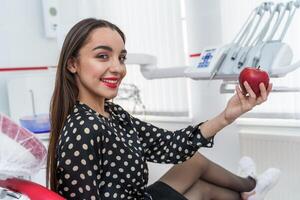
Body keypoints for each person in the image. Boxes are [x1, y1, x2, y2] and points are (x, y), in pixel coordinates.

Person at [46, 18, 280, 200]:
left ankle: (250, 187)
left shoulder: (113, 114)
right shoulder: (83, 128)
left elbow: (168, 145)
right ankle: (251, 189)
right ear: (72, 63)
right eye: (102, 56)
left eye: (121, 57)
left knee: (194, 164)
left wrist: (228, 116)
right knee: (202, 191)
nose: (117, 68)